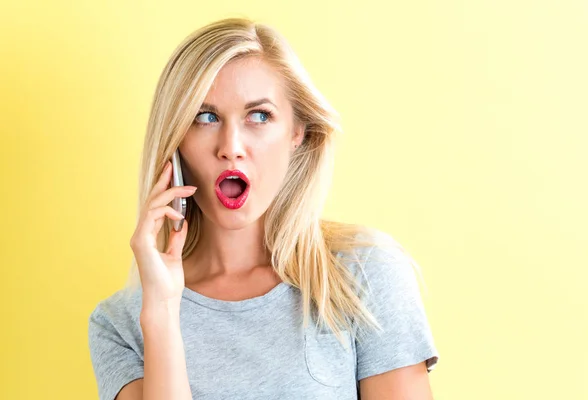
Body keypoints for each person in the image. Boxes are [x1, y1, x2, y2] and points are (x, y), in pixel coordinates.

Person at [87, 17, 440, 400]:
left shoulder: (364, 276)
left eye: (259, 116)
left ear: (296, 133)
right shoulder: (119, 325)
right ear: (175, 141)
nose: (231, 145)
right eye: (205, 117)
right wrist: (161, 311)